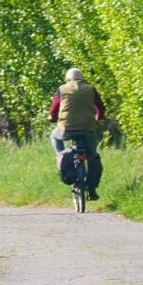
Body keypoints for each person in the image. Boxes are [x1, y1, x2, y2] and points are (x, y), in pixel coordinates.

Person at [49, 68, 105, 200]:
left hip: (66, 129)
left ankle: (61, 156)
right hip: (88, 129)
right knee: (92, 157)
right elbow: (101, 108)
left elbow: (54, 108)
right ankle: (91, 189)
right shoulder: (91, 89)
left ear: (67, 79)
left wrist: (52, 117)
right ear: (81, 78)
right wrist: (98, 117)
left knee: (54, 136)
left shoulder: (62, 89)